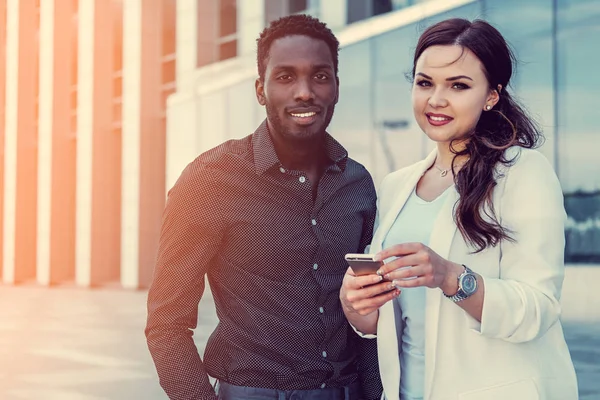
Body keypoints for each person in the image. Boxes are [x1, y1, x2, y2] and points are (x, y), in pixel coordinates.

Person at [145, 14, 382, 400]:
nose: (304, 92)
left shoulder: (358, 185)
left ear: (336, 87)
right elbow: (166, 324)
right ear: (260, 89)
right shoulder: (210, 180)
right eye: (286, 77)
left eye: (320, 76)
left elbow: (370, 314)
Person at [340, 18, 578, 400]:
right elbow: (384, 323)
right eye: (424, 83)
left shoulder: (523, 173)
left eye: (458, 86)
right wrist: (356, 304)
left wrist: (451, 276)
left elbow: (538, 308)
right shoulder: (395, 185)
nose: (436, 99)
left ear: (491, 96)